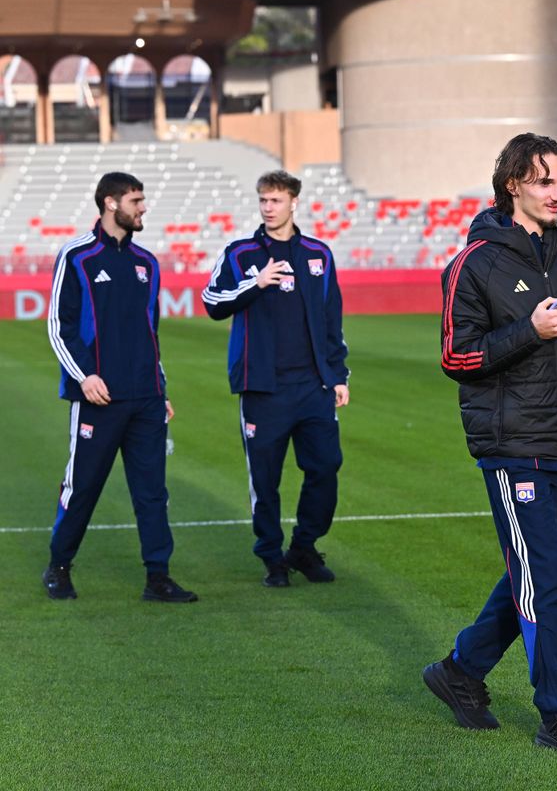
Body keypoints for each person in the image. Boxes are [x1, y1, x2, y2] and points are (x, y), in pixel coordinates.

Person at [423, 133, 557, 753]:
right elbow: (455, 355)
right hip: (514, 448)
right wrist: (527, 331)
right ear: (513, 185)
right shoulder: (474, 263)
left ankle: (459, 671)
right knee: (543, 588)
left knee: (536, 576)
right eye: (544, 181)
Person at [43, 172, 197, 603]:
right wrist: (84, 377)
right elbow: (58, 327)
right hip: (98, 397)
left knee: (152, 491)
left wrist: (160, 388)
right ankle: (58, 566)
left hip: (145, 399)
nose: (143, 207)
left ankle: (158, 577)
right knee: (83, 486)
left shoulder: (147, 263)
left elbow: (152, 332)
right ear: (111, 203)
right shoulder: (76, 256)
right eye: (136, 200)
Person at [201, 170, 349, 588]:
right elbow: (212, 301)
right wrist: (255, 282)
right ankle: (271, 557)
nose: (268, 208)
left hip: (314, 387)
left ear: (293, 203)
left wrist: (337, 375)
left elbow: (330, 319)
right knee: (265, 480)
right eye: (263, 200)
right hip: (262, 388)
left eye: (276, 200)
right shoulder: (240, 252)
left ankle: (303, 546)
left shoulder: (319, 253)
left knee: (325, 466)